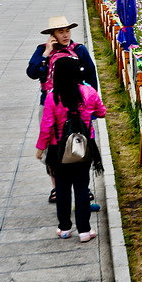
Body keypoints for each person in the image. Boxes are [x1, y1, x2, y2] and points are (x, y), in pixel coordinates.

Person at [27, 15, 99, 208]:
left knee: (81, 144)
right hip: (50, 103)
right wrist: (46, 53)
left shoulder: (79, 50)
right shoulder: (42, 51)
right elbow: (32, 73)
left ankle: (84, 188)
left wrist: (91, 104)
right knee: (53, 145)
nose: (65, 35)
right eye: (60, 31)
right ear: (52, 34)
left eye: (67, 30)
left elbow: (91, 77)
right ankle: (56, 186)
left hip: (78, 105)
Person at [35, 57, 105, 242]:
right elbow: (101, 112)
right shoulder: (89, 92)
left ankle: (64, 228)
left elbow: (47, 125)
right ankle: (84, 231)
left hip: (59, 150)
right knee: (82, 188)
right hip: (83, 147)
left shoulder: (53, 96)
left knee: (63, 189)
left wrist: (40, 148)